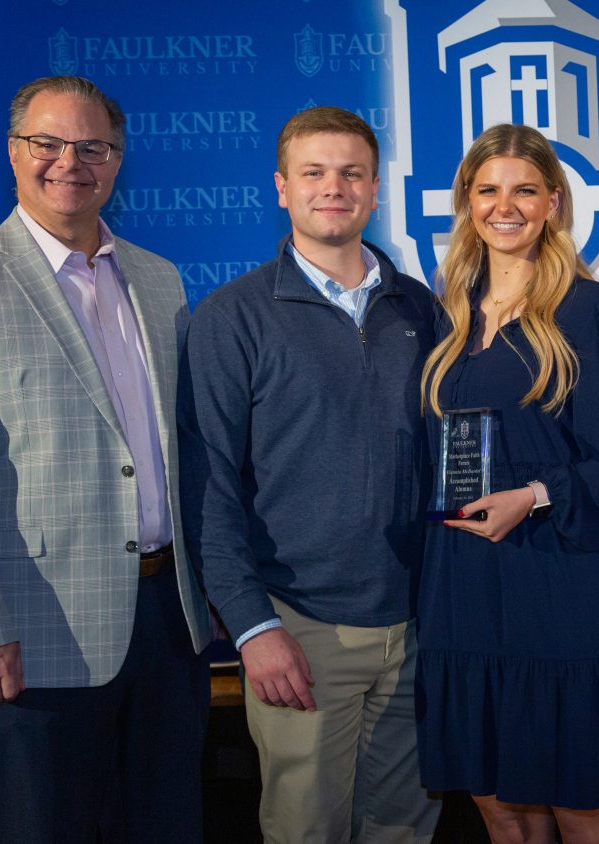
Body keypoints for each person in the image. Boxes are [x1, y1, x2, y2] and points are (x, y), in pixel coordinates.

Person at [0, 75, 211, 843]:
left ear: (117, 159)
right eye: (48, 143)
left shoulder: (160, 279)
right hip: (30, 640)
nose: (70, 161)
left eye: (92, 146)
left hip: (169, 626)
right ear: (13, 152)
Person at [178, 106, 441, 843]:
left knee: (404, 829)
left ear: (375, 189)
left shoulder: (419, 308)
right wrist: (254, 625)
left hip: (417, 623)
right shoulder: (233, 317)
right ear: (282, 189)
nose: (335, 187)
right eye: (314, 173)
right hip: (300, 627)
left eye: (352, 173)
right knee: (306, 831)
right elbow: (210, 486)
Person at [417, 123, 599, 844]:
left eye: (525, 190)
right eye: (489, 190)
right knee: (502, 810)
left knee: (584, 808)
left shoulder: (591, 313)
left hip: (564, 581)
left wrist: (532, 496)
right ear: (467, 202)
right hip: (465, 584)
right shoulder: (446, 318)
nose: (507, 206)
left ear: (554, 202)